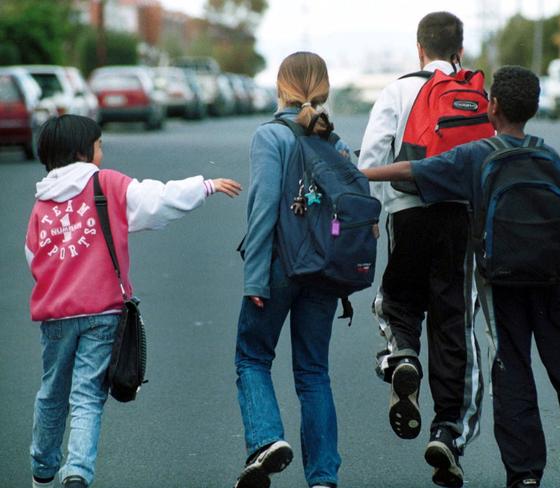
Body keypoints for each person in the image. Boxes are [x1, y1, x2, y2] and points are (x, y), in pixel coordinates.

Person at [361, 66, 560, 488]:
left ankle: (524, 476)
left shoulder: (477, 154)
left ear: (492, 106)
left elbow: (411, 171)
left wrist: (362, 174)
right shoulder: (549, 156)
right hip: (556, 281)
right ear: (534, 109)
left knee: (512, 373)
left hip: (503, 283)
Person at [26, 114, 242, 488]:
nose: (101, 152)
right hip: (104, 312)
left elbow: (33, 257)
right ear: (83, 151)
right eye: (98, 145)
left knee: (52, 392)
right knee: (87, 396)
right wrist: (204, 186)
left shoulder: (42, 203)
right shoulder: (105, 184)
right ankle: (77, 472)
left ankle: (43, 471)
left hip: (57, 316)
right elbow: (156, 200)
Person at [357, 11, 483, 487]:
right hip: (460, 217)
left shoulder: (397, 90)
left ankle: (403, 355)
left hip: (407, 213)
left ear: (418, 49)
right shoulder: (477, 93)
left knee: (397, 300)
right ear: (459, 51)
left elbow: (371, 158)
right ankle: (448, 431)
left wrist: (371, 216)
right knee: (455, 322)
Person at [233, 52, 352, 488]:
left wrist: (255, 277)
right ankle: (323, 478)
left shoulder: (270, 137)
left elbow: (263, 209)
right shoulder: (333, 141)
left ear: (281, 87)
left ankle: (267, 440)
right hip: (323, 269)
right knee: (314, 372)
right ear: (323, 87)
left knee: (252, 356)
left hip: (281, 264)